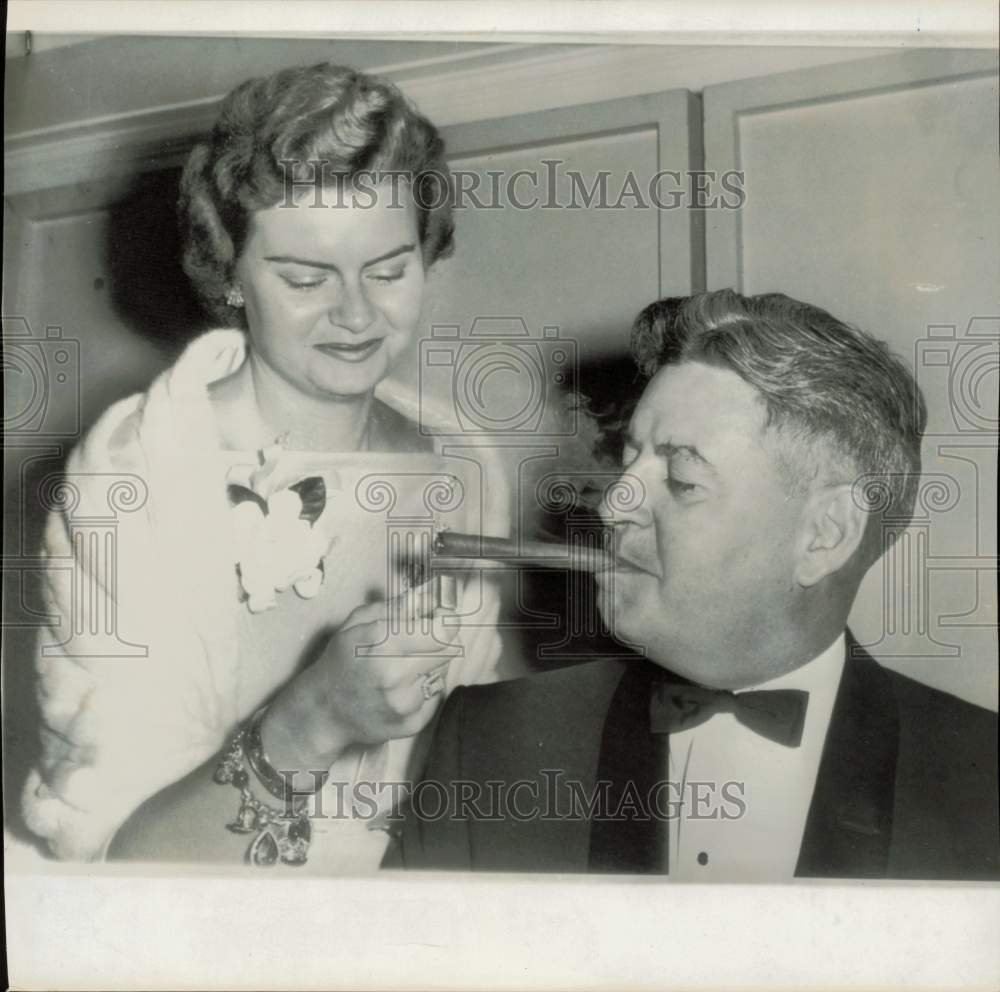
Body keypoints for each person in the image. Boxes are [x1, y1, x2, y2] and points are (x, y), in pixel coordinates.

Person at [23, 62, 508, 869]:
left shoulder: (462, 468)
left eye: (389, 270)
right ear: (231, 277)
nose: (357, 314)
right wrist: (312, 718)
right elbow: (119, 870)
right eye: (304, 277)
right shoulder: (132, 481)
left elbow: (455, 772)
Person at [385, 289, 1000, 880]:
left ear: (825, 535)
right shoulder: (488, 743)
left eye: (680, 478)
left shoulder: (982, 783)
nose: (613, 505)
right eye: (629, 461)